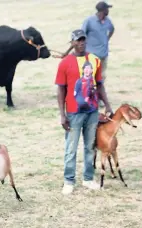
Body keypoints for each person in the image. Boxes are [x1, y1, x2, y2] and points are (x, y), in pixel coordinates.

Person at [54, 29, 113, 195]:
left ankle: (88, 178)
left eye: (83, 40)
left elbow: (99, 84)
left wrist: (107, 105)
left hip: (92, 112)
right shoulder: (65, 63)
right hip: (73, 113)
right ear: (72, 42)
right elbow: (61, 90)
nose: (81, 43)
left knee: (90, 147)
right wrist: (62, 114)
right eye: (78, 40)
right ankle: (69, 181)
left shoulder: (94, 60)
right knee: (71, 148)